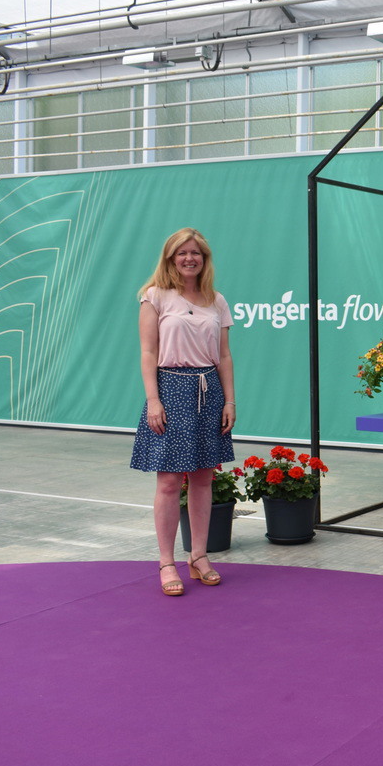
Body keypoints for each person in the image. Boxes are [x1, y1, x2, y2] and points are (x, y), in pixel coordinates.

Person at [130, 228, 236, 596]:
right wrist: (153, 400)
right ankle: (166, 562)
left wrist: (230, 401)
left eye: (196, 253)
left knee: (204, 478)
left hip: (209, 391)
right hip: (170, 390)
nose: (190, 258)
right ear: (170, 258)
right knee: (169, 482)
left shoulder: (216, 300)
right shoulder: (154, 296)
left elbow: (224, 355)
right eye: (182, 253)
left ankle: (198, 556)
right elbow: (147, 352)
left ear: (205, 259)